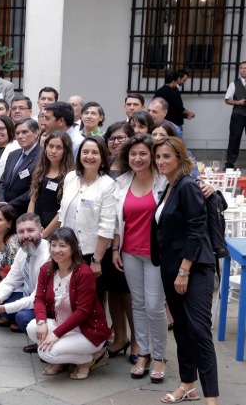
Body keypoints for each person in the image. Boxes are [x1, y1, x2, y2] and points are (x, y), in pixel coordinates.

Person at [152, 137, 219, 404]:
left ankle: (212, 398)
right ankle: (187, 385)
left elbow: (196, 229)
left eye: (167, 156)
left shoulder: (188, 186)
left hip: (194, 270)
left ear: (180, 158)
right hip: (171, 269)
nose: (161, 161)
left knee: (199, 331)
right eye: (158, 157)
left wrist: (184, 270)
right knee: (181, 329)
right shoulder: (168, 188)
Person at [110, 135, 168, 380]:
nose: (138, 158)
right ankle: (143, 352)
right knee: (138, 304)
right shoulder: (122, 182)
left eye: (143, 153)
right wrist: (115, 249)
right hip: (129, 252)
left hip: (157, 255)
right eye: (133, 154)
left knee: (155, 306)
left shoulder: (165, 181)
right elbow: (115, 221)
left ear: (152, 155)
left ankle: (159, 356)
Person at [27, 228, 112, 380]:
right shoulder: (47, 269)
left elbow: (83, 311)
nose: (56, 250)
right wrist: (41, 321)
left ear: (73, 248)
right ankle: (64, 360)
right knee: (33, 327)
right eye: (53, 245)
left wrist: (55, 334)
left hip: (88, 331)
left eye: (62, 246)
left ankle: (89, 359)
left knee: (46, 353)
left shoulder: (84, 273)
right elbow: (39, 298)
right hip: (64, 325)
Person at [57, 136, 116, 304]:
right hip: (67, 251)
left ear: (102, 157)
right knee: (67, 299)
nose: (89, 156)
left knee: (91, 302)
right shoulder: (70, 178)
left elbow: (107, 226)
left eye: (95, 153)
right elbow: (62, 213)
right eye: (86, 152)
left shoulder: (107, 184)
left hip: (91, 254)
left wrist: (96, 261)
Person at [0, 213, 51, 347]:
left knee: (22, 318)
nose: (25, 236)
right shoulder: (23, 250)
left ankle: (43, 341)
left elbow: (36, 298)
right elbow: (11, 280)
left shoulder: (47, 256)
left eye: (30, 230)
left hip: (47, 305)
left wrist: (1, 309)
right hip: (28, 294)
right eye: (21, 232)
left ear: (41, 231)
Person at [28, 132, 74, 238]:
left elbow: (63, 212)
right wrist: (31, 225)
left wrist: (43, 234)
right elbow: (32, 200)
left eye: (59, 148)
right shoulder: (39, 169)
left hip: (56, 228)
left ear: (65, 151)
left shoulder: (70, 175)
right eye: (51, 146)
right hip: (37, 222)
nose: (53, 151)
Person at [0, 118, 42, 216]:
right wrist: (1, 200)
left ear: (36, 133)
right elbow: (2, 181)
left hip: (24, 211)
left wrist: (11, 205)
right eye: (17, 133)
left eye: (25, 132)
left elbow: (34, 189)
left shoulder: (42, 156)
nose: (20, 136)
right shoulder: (13, 154)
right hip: (5, 210)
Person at [224, 61, 246, 169]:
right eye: (241, 68)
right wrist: (239, 102)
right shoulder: (234, 84)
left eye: (245, 68)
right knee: (234, 138)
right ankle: (229, 163)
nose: (243, 70)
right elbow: (227, 100)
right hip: (238, 114)